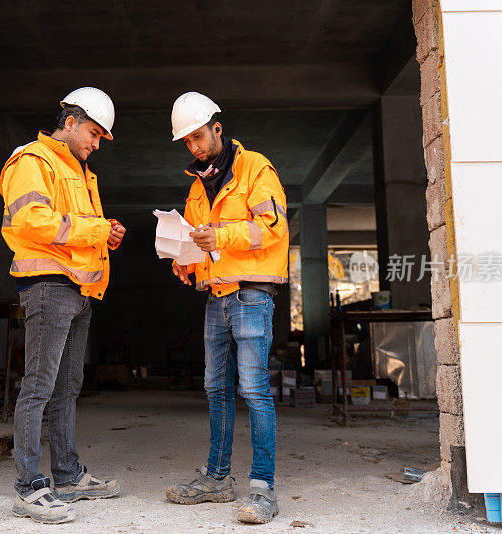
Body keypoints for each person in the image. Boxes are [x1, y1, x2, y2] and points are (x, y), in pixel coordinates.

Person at [0, 87, 125, 524]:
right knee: (38, 388)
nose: (96, 144)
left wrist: (106, 233)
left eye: (101, 139)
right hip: (49, 287)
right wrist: (95, 231)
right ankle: (28, 487)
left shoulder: (80, 171)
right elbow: (31, 221)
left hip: (78, 291)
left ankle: (67, 474)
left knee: (67, 389)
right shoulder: (33, 160)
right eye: (92, 133)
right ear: (70, 123)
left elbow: (83, 228)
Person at [164, 92, 289, 524]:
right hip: (216, 296)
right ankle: (217, 478)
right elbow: (201, 241)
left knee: (253, 389)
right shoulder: (198, 185)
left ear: (217, 128)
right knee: (214, 388)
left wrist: (220, 237)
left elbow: (270, 228)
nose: (194, 147)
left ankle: (262, 487)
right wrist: (187, 263)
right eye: (187, 142)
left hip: (252, 295)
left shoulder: (256, 168)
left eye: (198, 137)